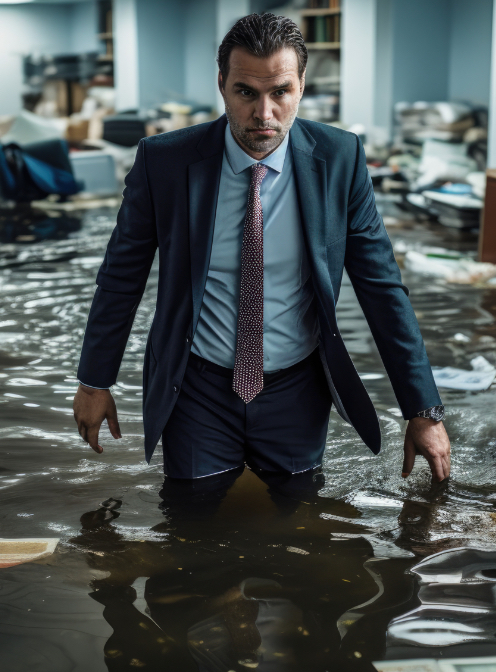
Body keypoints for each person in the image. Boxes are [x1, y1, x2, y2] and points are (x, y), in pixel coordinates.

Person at [73, 13, 450, 482]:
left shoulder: (340, 159)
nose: (264, 114)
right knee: (190, 523)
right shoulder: (164, 162)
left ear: (302, 86)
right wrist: (94, 381)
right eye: (246, 92)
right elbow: (121, 275)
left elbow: (382, 287)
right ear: (222, 84)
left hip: (297, 386)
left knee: (299, 529)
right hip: (196, 385)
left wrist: (423, 408)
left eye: (280, 92)